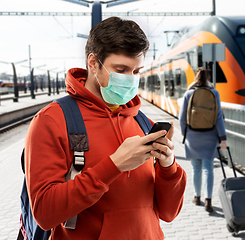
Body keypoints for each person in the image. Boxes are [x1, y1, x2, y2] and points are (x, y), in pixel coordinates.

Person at [25, 17, 186, 240]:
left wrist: (168, 167)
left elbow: (169, 213)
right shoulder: (52, 120)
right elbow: (44, 213)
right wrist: (114, 166)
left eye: (136, 71)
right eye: (121, 69)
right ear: (93, 63)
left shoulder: (142, 122)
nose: (130, 80)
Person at [178, 67, 227, 213]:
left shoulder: (188, 94)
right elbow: (219, 117)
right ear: (208, 78)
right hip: (210, 135)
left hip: (193, 136)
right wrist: (222, 138)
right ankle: (208, 200)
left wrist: (185, 134)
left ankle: (197, 196)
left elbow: (182, 118)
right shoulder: (214, 93)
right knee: (208, 169)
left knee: (196, 169)